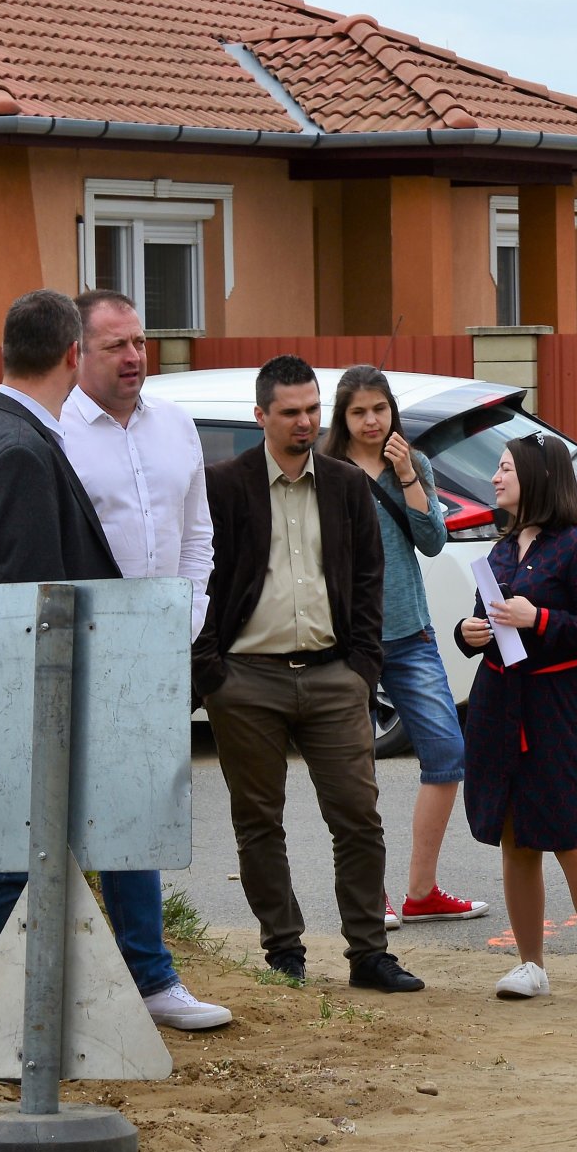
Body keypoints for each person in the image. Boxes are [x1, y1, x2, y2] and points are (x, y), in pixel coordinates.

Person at [192, 354, 421, 994]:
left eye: (313, 410)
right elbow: (200, 579)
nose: (305, 423)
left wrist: (361, 668)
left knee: (357, 815)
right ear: (260, 415)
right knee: (259, 819)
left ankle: (368, 953)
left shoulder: (347, 484)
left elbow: (368, 579)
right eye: (290, 412)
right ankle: (283, 949)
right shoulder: (226, 485)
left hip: (332, 675)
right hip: (246, 679)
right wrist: (212, 672)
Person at [56, 288, 232, 1030]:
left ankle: (152, 978)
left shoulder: (177, 426)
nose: (134, 357)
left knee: (135, 812)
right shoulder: (57, 431)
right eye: (115, 346)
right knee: (59, 815)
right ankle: (62, 976)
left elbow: (198, 534)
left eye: (139, 342)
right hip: (74, 645)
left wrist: (184, 620)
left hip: (158, 645)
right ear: (77, 354)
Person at [0, 290, 126, 998]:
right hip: (26, 699)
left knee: (19, 857)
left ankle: (7, 1017)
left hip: (7, 692)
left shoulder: (0, 430)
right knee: (11, 863)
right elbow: (39, 602)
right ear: (69, 356)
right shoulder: (20, 447)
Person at [455, 435, 577, 1007]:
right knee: (516, 840)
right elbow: (487, 625)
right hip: (500, 705)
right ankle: (530, 964)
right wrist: (468, 633)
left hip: (558, 705)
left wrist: (541, 617)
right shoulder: (501, 551)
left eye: (506, 468)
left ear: (537, 477)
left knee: (575, 839)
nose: (496, 478)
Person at [323, 365, 489, 930]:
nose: (372, 421)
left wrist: (407, 476)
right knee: (355, 771)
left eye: (380, 409)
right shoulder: (326, 470)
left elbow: (433, 540)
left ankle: (421, 890)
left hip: (411, 632)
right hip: (347, 640)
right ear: (342, 418)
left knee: (446, 754)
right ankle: (375, 897)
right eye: (359, 412)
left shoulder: (410, 464)